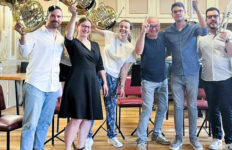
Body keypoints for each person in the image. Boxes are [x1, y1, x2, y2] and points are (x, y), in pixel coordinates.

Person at [58, 6, 108, 150]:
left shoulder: (96, 45)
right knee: (77, 118)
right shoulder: (73, 43)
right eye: (84, 26)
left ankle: (80, 147)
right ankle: (67, 148)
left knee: (88, 117)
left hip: (92, 83)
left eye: (89, 27)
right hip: (77, 83)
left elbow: (100, 65)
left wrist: (104, 82)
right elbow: (68, 35)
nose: (86, 29)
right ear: (78, 27)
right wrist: (74, 16)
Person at [14, 5, 64, 150]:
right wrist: (22, 35)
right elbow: (24, 52)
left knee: (44, 124)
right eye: (53, 15)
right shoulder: (35, 33)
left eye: (59, 16)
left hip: (53, 87)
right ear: (47, 17)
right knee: (30, 124)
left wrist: (60, 84)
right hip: (35, 84)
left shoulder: (61, 38)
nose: (56, 19)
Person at [164, 1, 208, 150]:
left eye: (180, 11)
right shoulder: (168, 31)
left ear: (184, 13)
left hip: (192, 73)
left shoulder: (193, 28)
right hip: (176, 73)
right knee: (177, 106)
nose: (178, 13)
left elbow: (205, 30)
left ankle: (193, 138)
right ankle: (178, 138)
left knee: (192, 106)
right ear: (172, 14)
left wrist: (196, 8)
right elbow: (167, 51)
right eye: (175, 11)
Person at [88, 19, 136, 148]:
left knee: (110, 108)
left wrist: (122, 86)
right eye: (121, 26)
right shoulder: (110, 35)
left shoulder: (131, 48)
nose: (123, 29)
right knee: (92, 103)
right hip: (99, 72)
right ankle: (87, 136)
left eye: (126, 27)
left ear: (130, 30)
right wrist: (88, 16)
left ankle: (111, 136)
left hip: (114, 78)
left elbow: (125, 69)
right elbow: (94, 28)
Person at [197, 7, 232, 150]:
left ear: (220, 18)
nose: (213, 19)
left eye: (215, 16)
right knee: (212, 110)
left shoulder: (229, 33)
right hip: (208, 79)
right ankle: (216, 138)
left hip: (225, 78)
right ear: (206, 20)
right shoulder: (201, 38)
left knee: (226, 110)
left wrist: (226, 40)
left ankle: (230, 141)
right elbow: (197, 56)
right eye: (210, 17)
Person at [135, 16, 170, 150]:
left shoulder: (162, 36)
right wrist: (143, 32)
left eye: (156, 26)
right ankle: (142, 139)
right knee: (147, 109)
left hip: (163, 79)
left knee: (163, 108)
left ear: (159, 26)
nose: (154, 28)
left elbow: (169, 50)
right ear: (147, 26)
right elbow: (138, 51)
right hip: (148, 80)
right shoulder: (143, 38)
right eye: (151, 26)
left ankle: (156, 133)